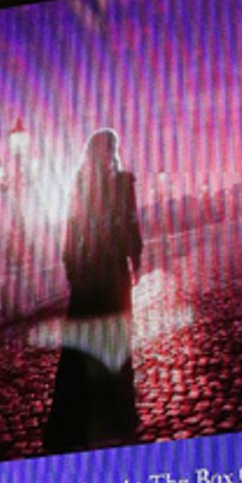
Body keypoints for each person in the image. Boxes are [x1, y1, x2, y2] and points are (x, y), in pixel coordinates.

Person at [43, 127, 143, 453]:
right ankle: (116, 413)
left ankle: (78, 415)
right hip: (111, 271)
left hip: (88, 273)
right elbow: (130, 223)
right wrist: (135, 257)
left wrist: (71, 265)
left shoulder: (82, 185)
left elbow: (72, 228)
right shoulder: (122, 183)